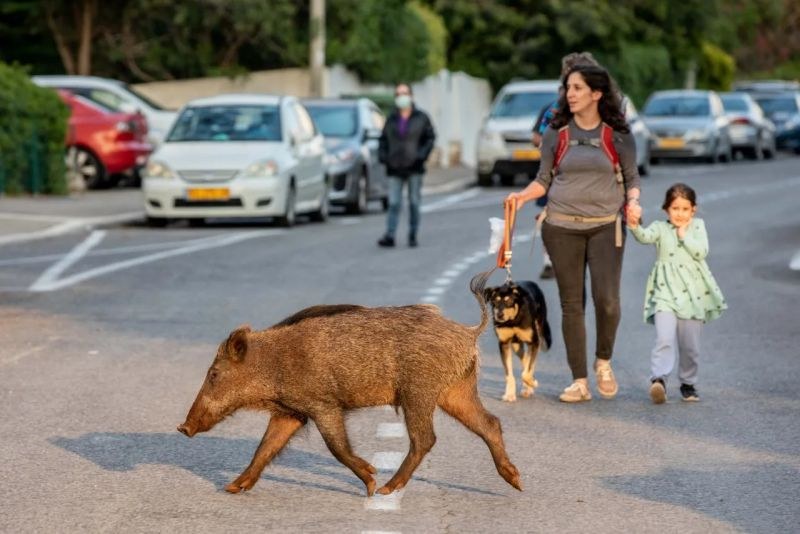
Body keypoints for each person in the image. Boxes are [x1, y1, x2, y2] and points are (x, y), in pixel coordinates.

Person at [505, 64, 641, 403]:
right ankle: (579, 380)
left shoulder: (617, 134)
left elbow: (632, 178)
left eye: (578, 87)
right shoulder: (557, 133)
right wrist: (521, 197)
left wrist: (634, 203)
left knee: (607, 301)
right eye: (569, 87)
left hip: (606, 226)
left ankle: (603, 361)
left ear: (597, 93)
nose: (571, 93)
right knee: (572, 304)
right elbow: (544, 179)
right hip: (561, 227)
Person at [627, 183, 727, 404]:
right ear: (666, 210)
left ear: (693, 210)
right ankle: (659, 379)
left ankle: (688, 383)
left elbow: (702, 251)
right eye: (675, 209)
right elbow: (644, 236)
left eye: (684, 209)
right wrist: (634, 225)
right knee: (664, 338)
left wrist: (684, 236)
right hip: (665, 292)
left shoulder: (698, 226)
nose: (679, 214)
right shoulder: (660, 228)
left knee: (690, 346)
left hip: (693, 295)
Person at [531, 52, 599, 280]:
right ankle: (554, 259)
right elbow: (541, 142)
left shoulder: (604, 109)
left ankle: (556, 259)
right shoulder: (554, 110)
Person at [377, 83, 436, 248]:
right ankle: (390, 234)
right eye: (398, 94)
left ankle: (412, 234)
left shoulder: (421, 117)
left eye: (404, 93)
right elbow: (383, 139)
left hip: (414, 167)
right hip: (394, 167)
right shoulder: (391, 118)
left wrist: (421, 156)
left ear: (411, 96)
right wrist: (384, 157)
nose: (401, 97)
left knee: (414, 202)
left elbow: (430, 138)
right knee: (394, 202)